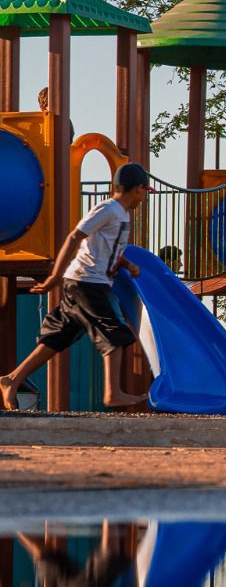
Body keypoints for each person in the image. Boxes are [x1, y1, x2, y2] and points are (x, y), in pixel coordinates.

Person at [1, 163, 151, 411]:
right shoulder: (108, 209)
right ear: (137, 189)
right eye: (144, 192)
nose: (144, 198)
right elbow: (75, 237)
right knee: (115, 334)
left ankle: (11, 379)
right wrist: (55, 276)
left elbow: (106, 249)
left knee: (57, 339)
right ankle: (112, 394)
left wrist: (128, 265)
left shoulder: (123, 214)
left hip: (93, 282)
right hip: (85, 282)